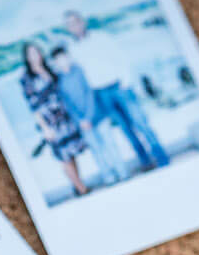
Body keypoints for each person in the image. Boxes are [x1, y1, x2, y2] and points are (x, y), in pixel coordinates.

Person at [63, 10, 170, 175]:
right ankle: (145, 161)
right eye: (70, 24)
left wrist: (126, 81)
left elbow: (121, 57)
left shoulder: (101, 37)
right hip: (101, 94)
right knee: (125, 129)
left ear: (82, 21)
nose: (74, 26)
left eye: (76, 21)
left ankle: (161, 157)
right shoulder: (72, 49)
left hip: (120, 87)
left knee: (140, 123)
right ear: (68, 28)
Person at [19, 44, 90, 198]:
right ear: (26, 57)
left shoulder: (49, 68)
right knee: (63, 156)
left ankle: (78, 185)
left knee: (71, 152)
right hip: (50, 122)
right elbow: (33, 107)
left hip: (65, 117)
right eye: (31, 53)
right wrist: (45, 128)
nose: (35, 55)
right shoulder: (27, 78)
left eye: (37, 52)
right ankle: (81, 188)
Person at [51, 44, 124, 186]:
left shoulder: (79, 70)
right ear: (55, 63)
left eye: (64, 58)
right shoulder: (58, 81)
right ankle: (108, 177)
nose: (62, 61)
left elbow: (89, 92)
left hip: (98, 115)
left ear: (68, 57)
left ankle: (122, 173)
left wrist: (88, 117)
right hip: (82, 124)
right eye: (58, 60)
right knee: (96, 150)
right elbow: (67, 104)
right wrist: (81, 120)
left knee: (110, 145)